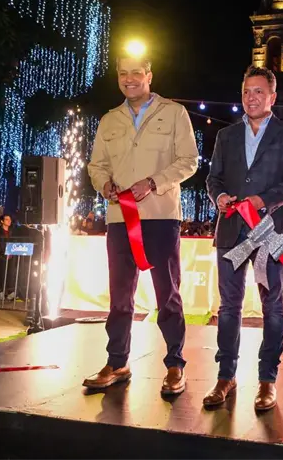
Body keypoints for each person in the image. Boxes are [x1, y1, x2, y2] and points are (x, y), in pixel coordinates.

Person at [86, 51, 199, 394]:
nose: (129, 79)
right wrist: (102, 183)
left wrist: (154, 182)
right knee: (120, 297)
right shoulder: (109, 120)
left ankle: (175, 365)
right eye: (123, 74)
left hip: (161, 217)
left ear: (150, 75)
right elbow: (96, 166)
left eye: (137, 72)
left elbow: (189, 161)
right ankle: (117, 361)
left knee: (168, 295)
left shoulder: (175, 112)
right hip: (120, 219)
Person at [204, 65, 283, 411]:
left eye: (259, 91)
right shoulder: (226, 137)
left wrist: (263, 201)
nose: (252, 97)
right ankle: (225, 376)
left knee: (272, 307)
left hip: (271, 233)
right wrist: (218, 198)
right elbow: (213, 179)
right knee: (228, 307)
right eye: (247, 91)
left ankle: (267, 380)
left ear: (272, 97)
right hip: (232, 231)